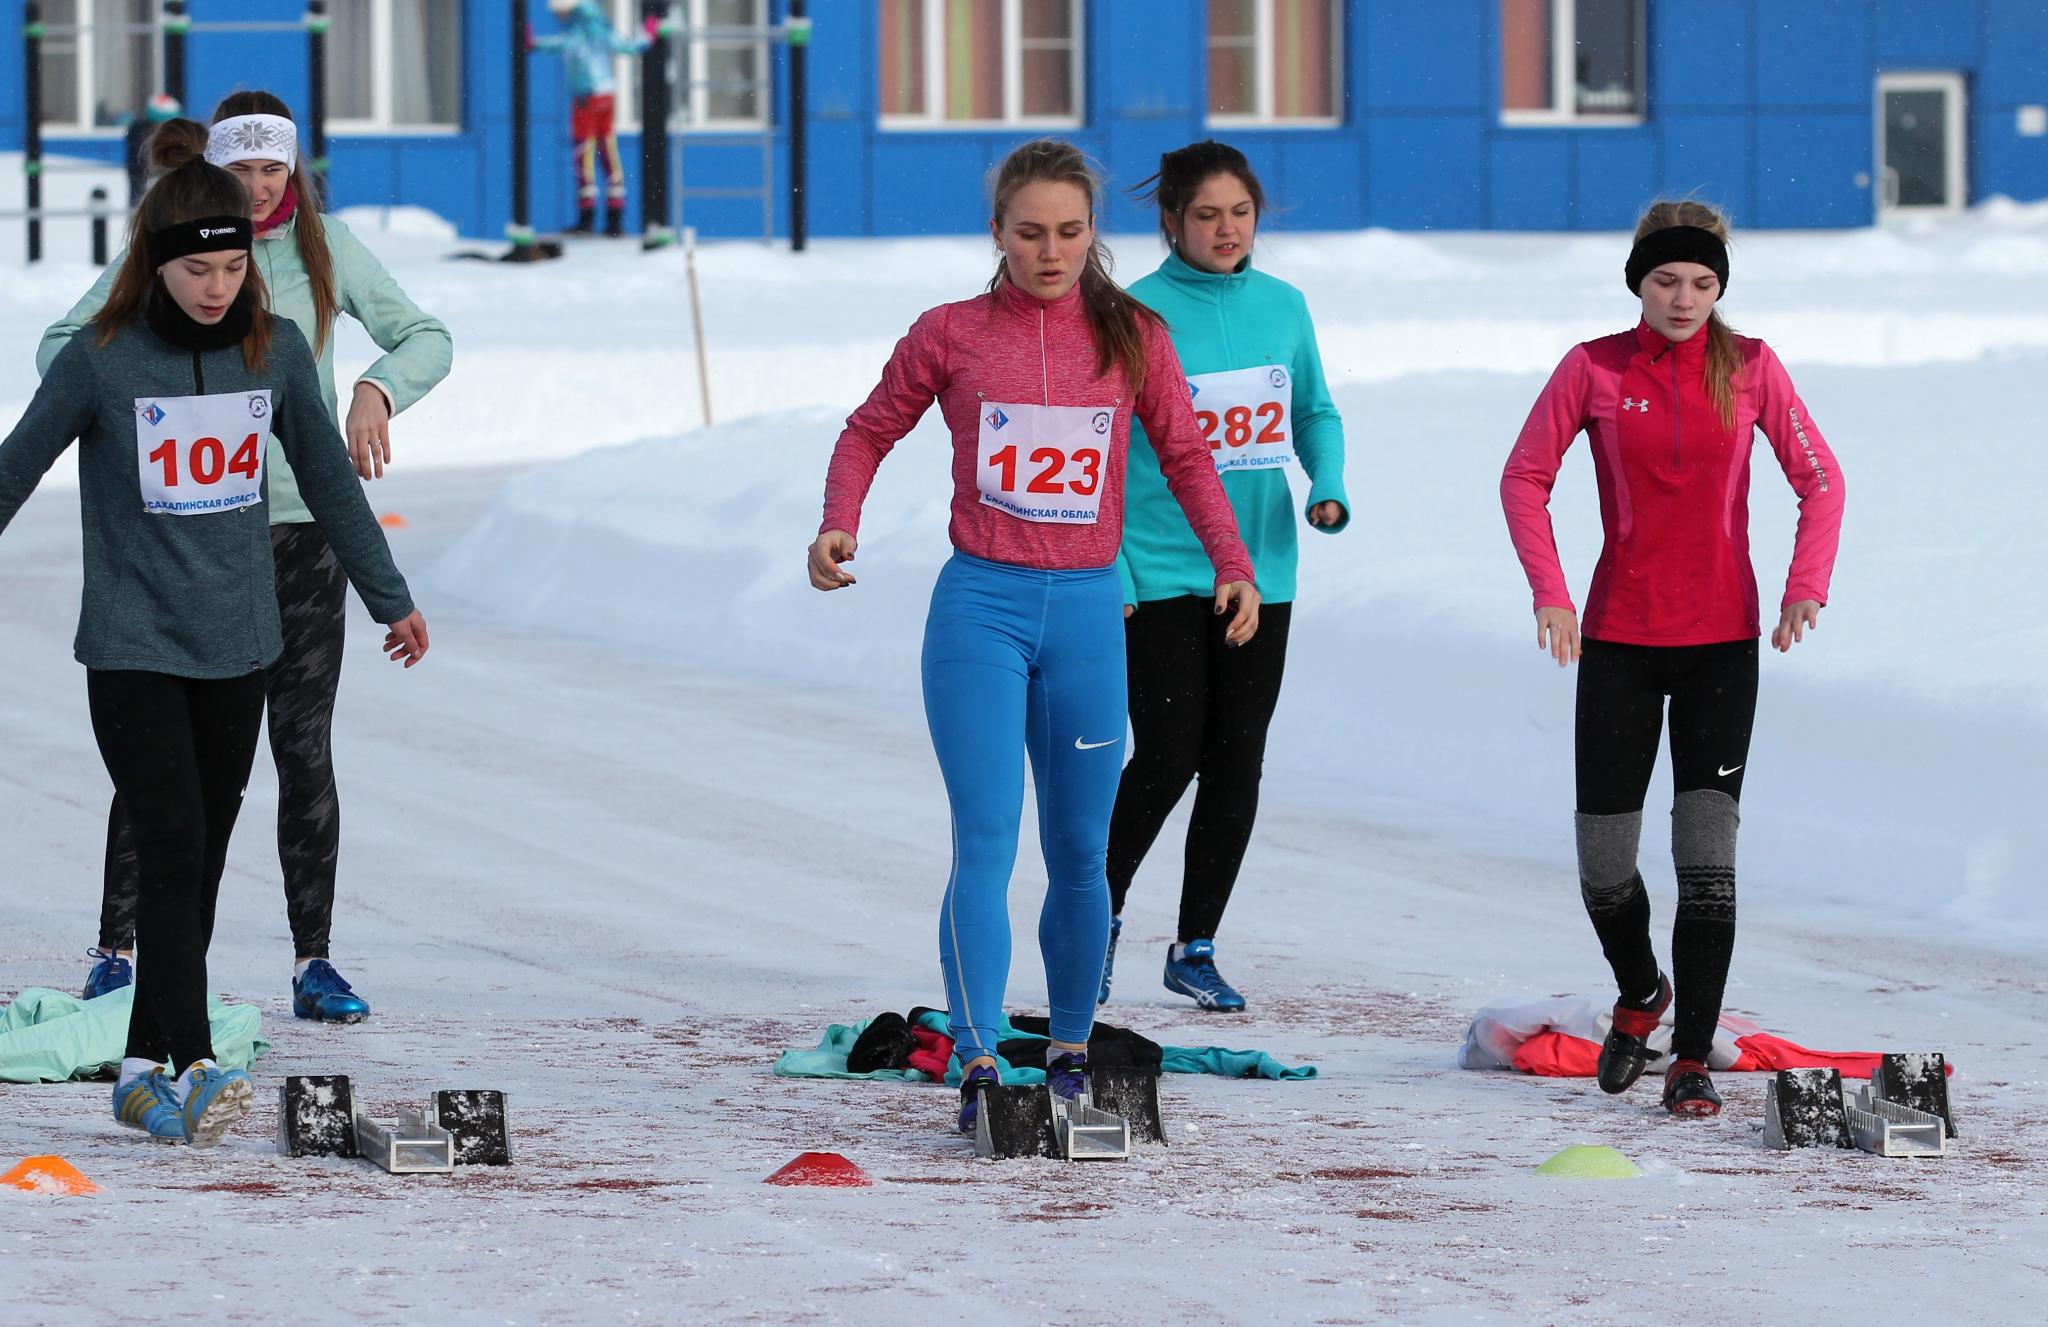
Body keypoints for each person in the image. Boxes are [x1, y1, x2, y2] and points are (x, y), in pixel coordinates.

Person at [809, 139, 1259, 1136]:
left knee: (1077, 853)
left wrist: (1232, 563)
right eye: (1029, 233)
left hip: (1090, 615)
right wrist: (839, 515)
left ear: (1092, 231)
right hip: (981, 606)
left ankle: (1064, 1052)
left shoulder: (1134, 334)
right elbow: (867, 427)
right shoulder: (952, 332)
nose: (1050, 251)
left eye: (1068, 231)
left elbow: (1185, 455)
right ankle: (974, 1059)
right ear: (996, 234)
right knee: (983, 837)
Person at [0, 120, 429, 1146]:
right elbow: (14, 468)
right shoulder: (102, 362)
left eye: (235, 266)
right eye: (199, 267)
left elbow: (326, 480)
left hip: (242, 644)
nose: (217, 286)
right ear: (158, 261)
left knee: (199, 857)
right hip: (135, 643)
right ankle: (189, 1060)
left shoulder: (273, 350)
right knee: (173, 834)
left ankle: (142, 1065)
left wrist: (387, 593)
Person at [1499, 199, 1846, 1117]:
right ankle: (1640, 989)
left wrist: (1804, 583)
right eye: (1666, 281)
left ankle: (1691, 1052)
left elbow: (1820, 477)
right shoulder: (1595, 368)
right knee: (1604, 865)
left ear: (1719, 285)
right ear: (1638, 283)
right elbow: (1524, 477)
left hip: (1722, 646)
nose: (1684, 298)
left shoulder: (1752, 367)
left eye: (1701, 282)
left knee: (1706, 856)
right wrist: (1552, 592)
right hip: (1618, 639)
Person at [1100, 140, 1349, 1014]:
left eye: (1240, 213)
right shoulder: (1131, 315)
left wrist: (1327, 484)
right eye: (1206, 214)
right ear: (1170, 220)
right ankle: (1096, 917)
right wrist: (1119, 562)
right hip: (1161, 568)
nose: (1226, 229)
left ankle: (1195, 944)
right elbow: (1100, 451)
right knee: (1167, 753)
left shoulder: (1284, 306)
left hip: (1262, 568)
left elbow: (1314, 409)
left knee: (1236, 760)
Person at [531, 0, 658, 237]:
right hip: (606, 95)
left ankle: (586, 218)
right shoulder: (600, 26)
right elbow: (626, 46)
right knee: (608, 152)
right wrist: (647, 36)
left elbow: (564, 44)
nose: (557, 18)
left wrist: (535, 44)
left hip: (585, 97)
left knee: (583, 155)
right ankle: (615, 218)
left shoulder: (576, 30)